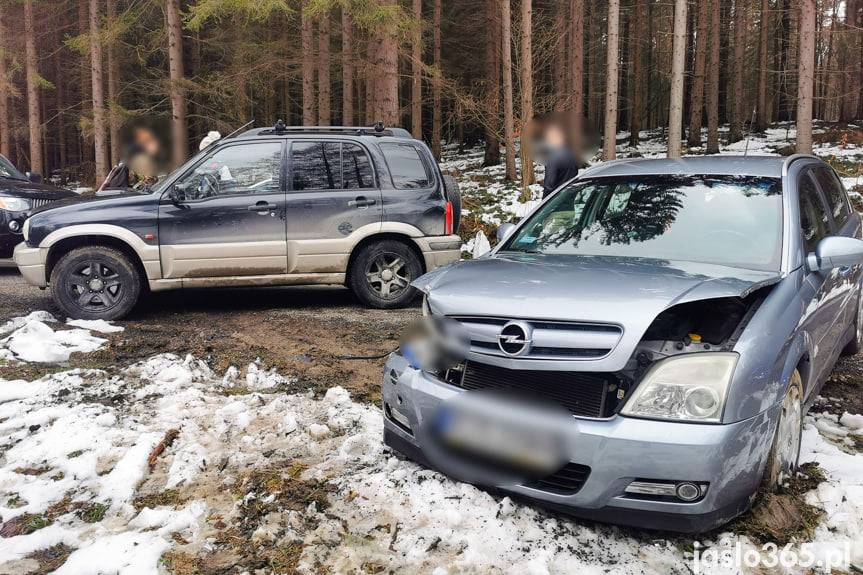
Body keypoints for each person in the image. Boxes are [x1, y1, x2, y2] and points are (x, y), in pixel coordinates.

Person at [537, 115, 582, 199]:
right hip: (569, 201)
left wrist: (544, 204)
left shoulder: (553, 157)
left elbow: (549, 185)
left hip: (555, 203)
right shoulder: (572, 155)